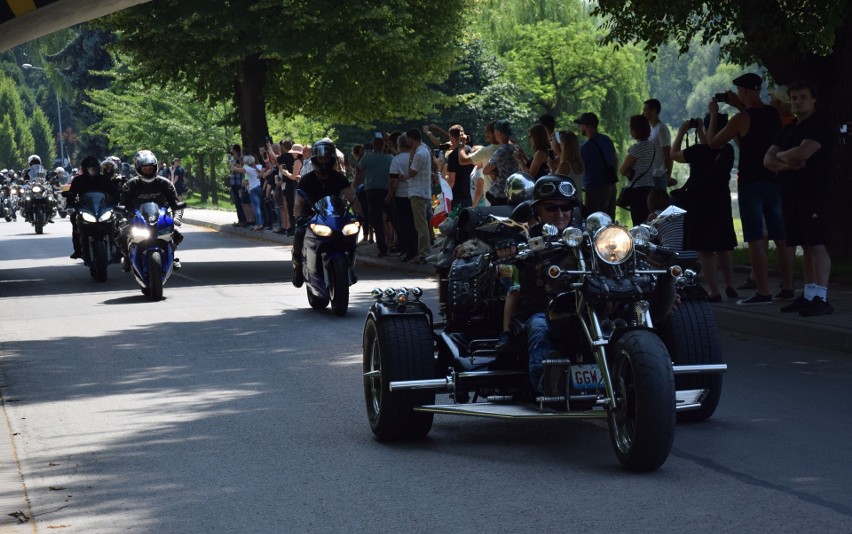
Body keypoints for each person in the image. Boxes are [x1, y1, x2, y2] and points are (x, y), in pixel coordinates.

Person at [707, 72, 794, 305]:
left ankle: (763, 290)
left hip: (751, 183)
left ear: (744, 91)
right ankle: (788, 287)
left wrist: (715, 114)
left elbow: (713, 142)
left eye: (738, 92)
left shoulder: (740, 120)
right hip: (775, 180)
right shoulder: (774, 115)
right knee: (781, 236)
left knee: (756, 237)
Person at [497, 176, 582, 395]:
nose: (560, 214)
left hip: (585, 310)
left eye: (566, 207)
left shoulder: (585, 236)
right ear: (538, 211)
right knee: (539, 328)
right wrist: (507, 247)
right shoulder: (528, 238)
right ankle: (548, 383)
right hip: (543, 312)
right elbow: (509, 245)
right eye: (552, 207)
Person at [764, 80, 834, 316]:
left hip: (814, 193)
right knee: (805, 245)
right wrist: (788, 160)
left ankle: (822, 298)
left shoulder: (819, 124)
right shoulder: (787, 129)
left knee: (817, 244)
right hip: (791, 193)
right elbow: (767, 160)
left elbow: (804, 152)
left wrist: (782, 157)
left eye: (802, 97)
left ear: (813, 100)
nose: (797, 101)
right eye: (794, 98)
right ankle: (809, 294)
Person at [671, 117, 739, 302]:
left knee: (706, 249)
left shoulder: (697, 151)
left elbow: (674, 154)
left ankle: (715, 291)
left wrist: (681, 133)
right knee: (724, 245)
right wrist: (702, 130)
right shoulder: (728, 150)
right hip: (721, 200)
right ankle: (731, 285)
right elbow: (712, 143)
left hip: (699, 202)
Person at [291, 139, 362, 287]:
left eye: (326, 157)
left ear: (332, 159)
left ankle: (350, 266)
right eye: (320, 158)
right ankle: (298, 268)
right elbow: (298, 202)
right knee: (299, 232)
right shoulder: (306, 180)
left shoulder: (339, 178)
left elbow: (353, 198)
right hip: (312, 218)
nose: (323, 161)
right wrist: (299, 217)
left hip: (336, 217)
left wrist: (359, 215)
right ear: (315, 159)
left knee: (351, 233)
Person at [117, 150, 184, 271]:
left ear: (156, 167)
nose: (148, 171)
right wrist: (122, 219)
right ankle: (127, 256)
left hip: (161, 218)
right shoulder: (130, 185)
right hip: (137, 218)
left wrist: (177, 218)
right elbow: (121, 205)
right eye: (145, 168)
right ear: (138, 168)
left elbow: (176, 204)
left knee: (177, 234)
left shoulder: (165, 183)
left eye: (150, 168)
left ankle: (171, 255)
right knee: (121, 235)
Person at [66, 156, 120, 260]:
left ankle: (117, 248)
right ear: (84, 169)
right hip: (85, 208)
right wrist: (70, 201)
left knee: (115, 222)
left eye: (94, 168)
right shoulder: (78, 180)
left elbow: (114, 191)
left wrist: (115, 201)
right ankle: (77, 249)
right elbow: (72, 193)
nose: (92, 171)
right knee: (74, 221)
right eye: (89, 169)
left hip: (102, 208)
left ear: (98, 168)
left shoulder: (103, 179)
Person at [354, 134, 393, 256]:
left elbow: (358, 170)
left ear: (374, 144)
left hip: (372, 192)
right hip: (387, 191)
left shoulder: (367, 158)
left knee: (377, 221)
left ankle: (382, 247)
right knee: (392, 218)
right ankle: (400, 243)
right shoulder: (390, 158)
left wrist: (355, 184)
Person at [576, 112, 617, 217]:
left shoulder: (586, 147)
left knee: (596, 219)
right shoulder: (607, 140)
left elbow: (578, 168)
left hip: (595, 189)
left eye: (581, 125)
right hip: (611, 186)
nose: (580, 128)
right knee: (609, 219)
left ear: (586, 126)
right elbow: (615, 160)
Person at [619, 115, 658, 226]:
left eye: (631, 128)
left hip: (637, 191)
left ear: (636, 130)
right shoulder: (652, 146)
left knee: (638, 223)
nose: (630, 131)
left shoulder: (636, 148)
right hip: (650, 189)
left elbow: (622, 170)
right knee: (648, 222)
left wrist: (628, 172)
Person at [483, 119, 519, 205]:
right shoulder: (515, 148)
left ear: (500, 133)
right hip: (512, 193)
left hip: (499, 195)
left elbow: (485, 171)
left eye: (495, 131)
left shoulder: (501, 152)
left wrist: (492, 172)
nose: (494, 134)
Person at [643, 98, 673, 190]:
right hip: (651, 174)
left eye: (645, 110)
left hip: (659, 175)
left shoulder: (661, 129)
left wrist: (668, 176)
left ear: (654, 111)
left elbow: (668, 154)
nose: (643, 113)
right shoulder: (652, 129)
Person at [445, 125, 474, 209]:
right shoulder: (469, 149)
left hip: (457, 197)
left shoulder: (453, 155)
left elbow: (451, 181)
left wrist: (445, 198)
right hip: (469, 193)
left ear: (451, 137)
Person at [553, 131, 585, 205]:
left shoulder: (565, 165)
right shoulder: (580, 163)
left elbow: (554, 182)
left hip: (568, 203)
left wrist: (552, 168)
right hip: (579, 201)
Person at [228, 144, 247, 226]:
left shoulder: (241, 158)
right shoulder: (233, 159)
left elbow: (242, 166)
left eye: (232, 149)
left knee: (241, 202)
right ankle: (240, 220)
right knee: (236, 202)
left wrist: (236, 159)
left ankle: (244, 220)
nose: (231, 151)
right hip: (233, 183)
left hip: (239, 183)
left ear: (235, 150)